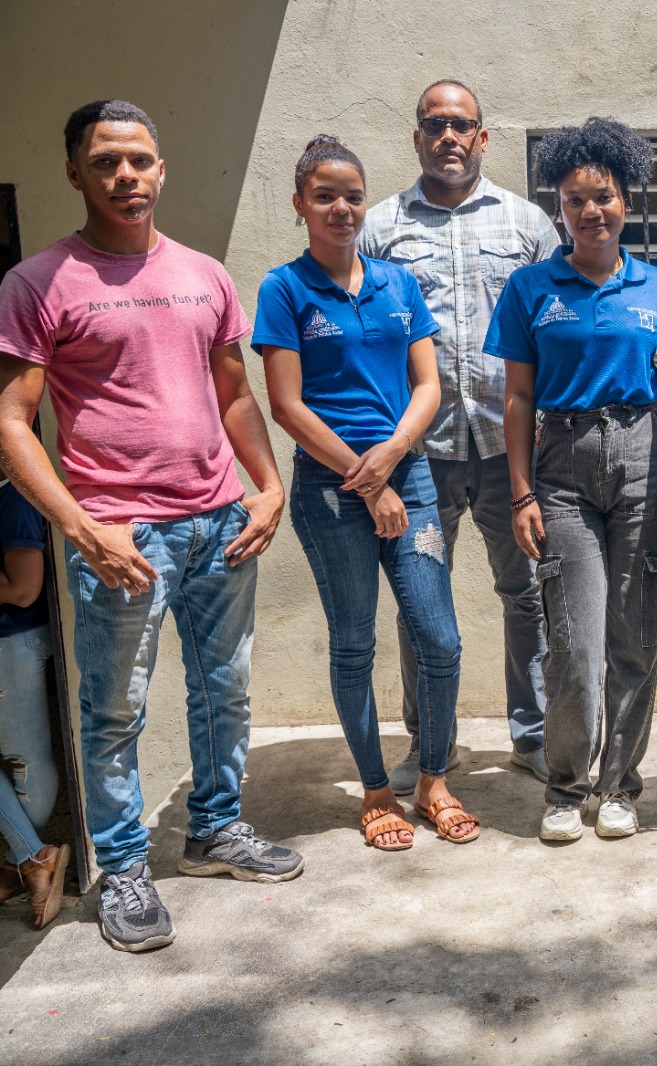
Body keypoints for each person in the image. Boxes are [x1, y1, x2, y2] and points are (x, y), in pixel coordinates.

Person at [0, 99, 302, 954]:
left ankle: (213, 830)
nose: (126, 177)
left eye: (139, 161)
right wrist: (84, 529)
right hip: (121, 537)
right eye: (105, 163)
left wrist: (268, 487)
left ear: (161, 170)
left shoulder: (205, 274)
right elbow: (11, 423)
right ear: (75, 173)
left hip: (218, 523)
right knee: (113, 712)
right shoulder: (37, 284)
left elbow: (235, 393)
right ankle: (124, 869)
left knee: (225, 690)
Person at [256, 135, 478, 851]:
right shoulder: (283, 289)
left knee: (439, 637)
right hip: (329, 487)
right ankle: (378, 791)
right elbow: (287, 406)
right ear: (300, 205)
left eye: (352, 195)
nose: (341, 208)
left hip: (403, 470)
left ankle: (434, 779)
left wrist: (391, 458)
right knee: (355, 642)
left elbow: (428, 385)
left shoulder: (397, 284)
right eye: (324, 196)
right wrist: (366, 475)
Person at [361, 79, 562, 794]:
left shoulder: (528, 224)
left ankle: (534, 736)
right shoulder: (379, 228)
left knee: (528, 594)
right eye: (434, 123)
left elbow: (554, 329)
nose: (449, 135)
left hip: (514, 452)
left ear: (483, 138)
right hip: (421, 455)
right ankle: (429, 748)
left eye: (462, 124)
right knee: (424, 606)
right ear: (417, 137)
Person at [487, 117, 657, 842]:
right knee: (572, 641)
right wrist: (521, 491)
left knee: (637, 632)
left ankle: (621, 785)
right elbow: (515, 398)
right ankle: (566, 788)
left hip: (643, 460)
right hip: (559, 465)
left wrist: (625, 417)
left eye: (603, 196)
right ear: (558, 209)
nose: (590, 211)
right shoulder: (532, 287)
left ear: (625, 200)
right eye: (575, 200)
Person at [0, 479, 69, 929]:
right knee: (28, 758)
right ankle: (22, 861)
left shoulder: (12, 498)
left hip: (11, 641)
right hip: (11, 644)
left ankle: (27, 858)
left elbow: (24, 589)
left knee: (27, 758)